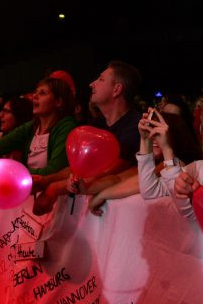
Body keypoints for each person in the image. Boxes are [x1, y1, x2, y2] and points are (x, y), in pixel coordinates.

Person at [32, 60, 142, 215]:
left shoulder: (136, 125)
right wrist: (46, 180)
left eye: (101, 79)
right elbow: (79, 167)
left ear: (117, 89)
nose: (92, 84)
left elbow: (111, 171)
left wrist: (55, 188)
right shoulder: (97, 124)